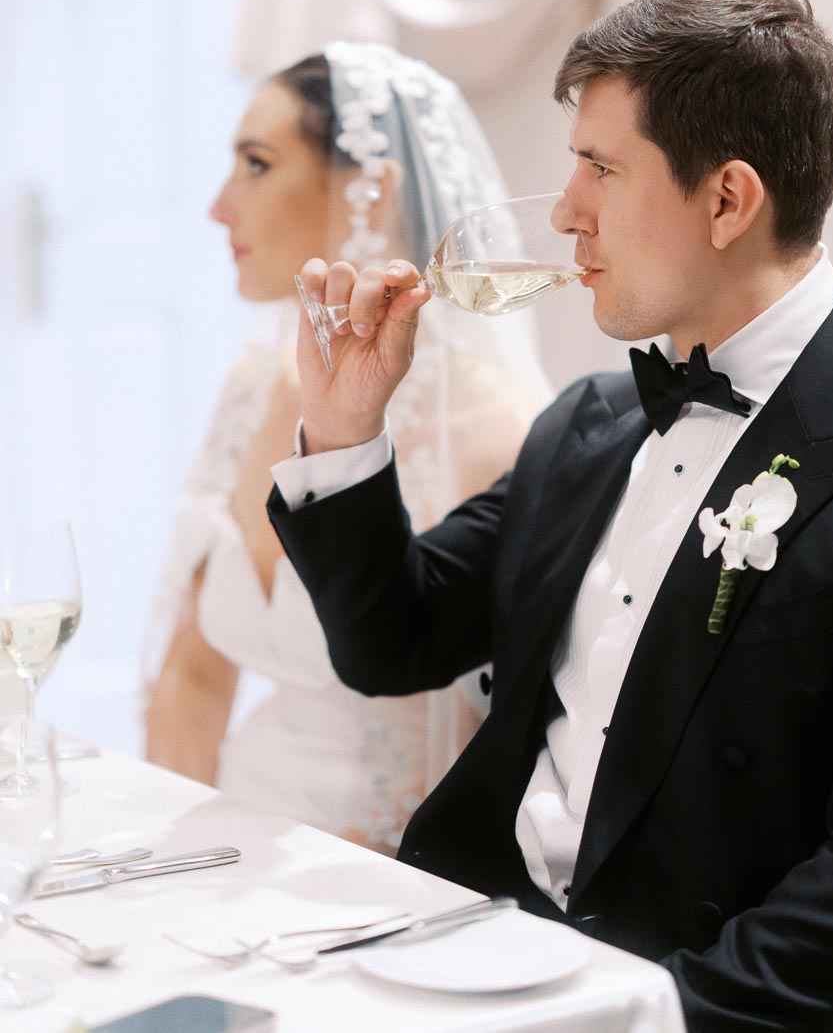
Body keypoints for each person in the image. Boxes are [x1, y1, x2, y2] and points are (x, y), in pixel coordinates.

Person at [266, 0, 833, 1030]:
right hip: (478, 965)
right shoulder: (589, 425)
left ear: (728, 199)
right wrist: (346, 428)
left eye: (600, 168)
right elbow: (393, 643)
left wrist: (636, 1017)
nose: (565, 212)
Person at [143, 42, 551, 850]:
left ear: (375, 186)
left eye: (255, 164)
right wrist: (173, 871)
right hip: (228, 840)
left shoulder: (497, 427)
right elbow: (192, 677)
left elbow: (498, 745)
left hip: (392, 884)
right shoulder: (254, 384)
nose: (219, 207)